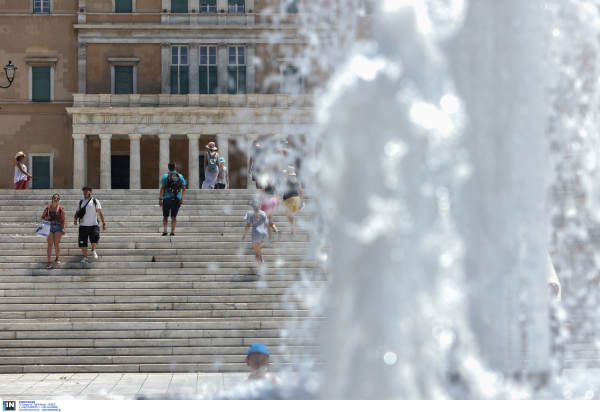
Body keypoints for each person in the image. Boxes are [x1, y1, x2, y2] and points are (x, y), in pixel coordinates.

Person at [74, 186, 107, 264]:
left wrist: (104, 223)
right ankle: (85, 258)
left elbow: (100, 213)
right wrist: (75, 219)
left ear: (90, 192)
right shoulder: (80, 202)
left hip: (93, 225)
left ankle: (93, 250)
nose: (85, 192)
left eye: (87, 191)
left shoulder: (95, 201)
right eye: (84, 191)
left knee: (95, 238)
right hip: (83, 225)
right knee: (83, 242)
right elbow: (77, 213)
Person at [159, 162, 186, 236]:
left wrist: (160, 199)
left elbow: (163, 188)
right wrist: (182, 199)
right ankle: (172, 232)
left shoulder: (165, 176)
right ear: (175, 168)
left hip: (166, 198)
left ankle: (165, 232)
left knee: (165, 216)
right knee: (174, 216)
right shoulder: (180, 176)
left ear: (168, 168)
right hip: (176, 198)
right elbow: (184, 189)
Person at [242, 199, 269, 272]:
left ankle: (260, 270)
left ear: (253, 206)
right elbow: (267, 225)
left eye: (251, 205)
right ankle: (262, 259)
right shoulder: (263, 213)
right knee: (258, 248)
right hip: (264, 233)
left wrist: (244, 235)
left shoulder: (250, 213)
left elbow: (248, 226)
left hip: (256, 233)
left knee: (256, 253)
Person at [41, 194, 66, 269]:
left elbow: (64, 220)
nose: (55, 199)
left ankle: (57, 258)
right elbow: (42, 217)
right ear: (52, 199)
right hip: (49, 226)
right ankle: (49, 262)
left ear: (58, 200)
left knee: (56, 244)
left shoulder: (60, 209)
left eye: (57, 198)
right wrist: (46, 218)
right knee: (50, 244)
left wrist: (64, 228)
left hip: (58, 226)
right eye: (54, 198)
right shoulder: (48, 208)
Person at [281, 166, 304, 236]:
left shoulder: (286, 180)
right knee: (291, 217)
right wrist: (301, 203)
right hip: (296, 200)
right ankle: (292, 231)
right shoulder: (298, 181)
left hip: (289, 199)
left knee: (290, 217)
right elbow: (301, 191)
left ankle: (293, 232)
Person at [260, 173, 279, 242]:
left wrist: (259, 201)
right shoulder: (274, 181)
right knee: (269, 220)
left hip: (267, 200)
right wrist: (278, 204)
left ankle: (270, 237)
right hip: (274, 200)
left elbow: (263, 191)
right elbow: (277, 193)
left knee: (266, 221)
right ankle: (276, 231)